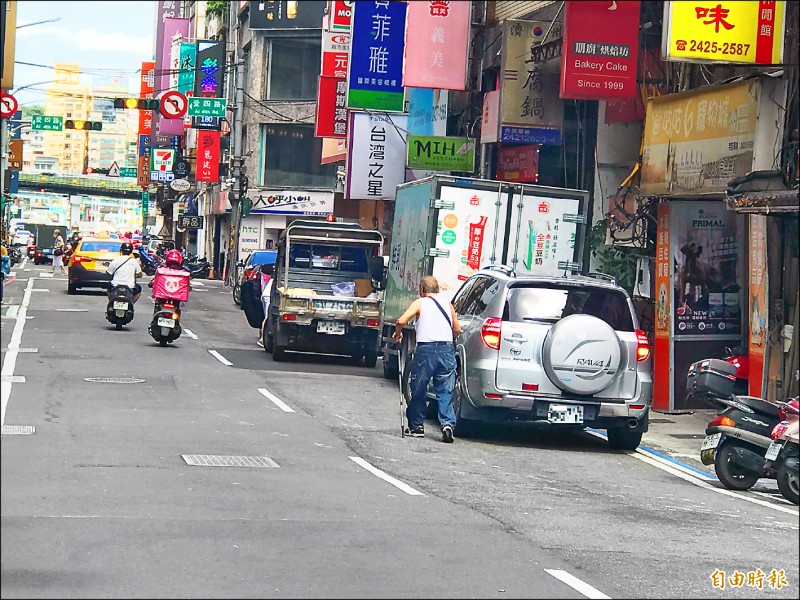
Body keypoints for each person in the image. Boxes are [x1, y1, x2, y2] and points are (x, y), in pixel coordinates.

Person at [392, 275, 462, 443]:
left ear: (422, 289)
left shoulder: (420, 302)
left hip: (426, 350)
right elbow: (457, 329)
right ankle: (447, 425)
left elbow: (401, 320)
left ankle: (416, 426)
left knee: (419, 387)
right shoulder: (447, 304)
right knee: (445, 390)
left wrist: (398, 333)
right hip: (446, 350)